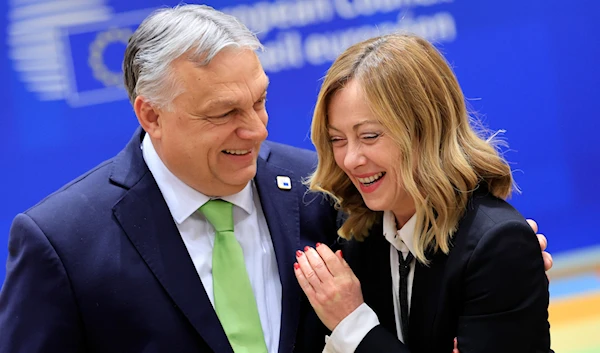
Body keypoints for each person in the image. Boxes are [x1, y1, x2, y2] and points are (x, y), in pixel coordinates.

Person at [0, 5, 551, 353]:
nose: (257, 130)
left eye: (260, 101)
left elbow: (441, 252)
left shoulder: (323, 194)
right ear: (151, 114)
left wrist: (506, 275)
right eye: (224, 114)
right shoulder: (62, 243)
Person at [294, 33, 552, 353]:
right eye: (337, 139)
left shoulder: (497, 243)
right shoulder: (353, 235)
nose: (350, 159)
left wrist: (352, 324)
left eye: (370, 136)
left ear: (426, 130)